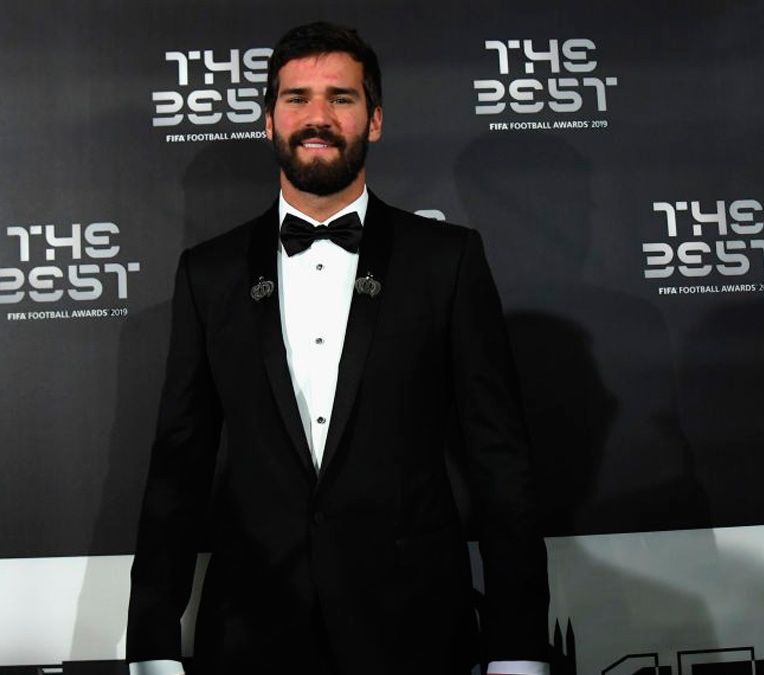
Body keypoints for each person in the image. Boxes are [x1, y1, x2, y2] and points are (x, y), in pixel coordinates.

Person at [125, 21, 549, 675]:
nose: (317, 117)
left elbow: (500, 461)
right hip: (251, 632)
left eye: (341, 98)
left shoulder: (446, 261)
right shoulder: (208, 274)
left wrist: (518, 647)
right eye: (296, 98)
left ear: (373, 120)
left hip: (415, 630)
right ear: (269, 119)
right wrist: (152, 643)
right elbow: (178, 467)